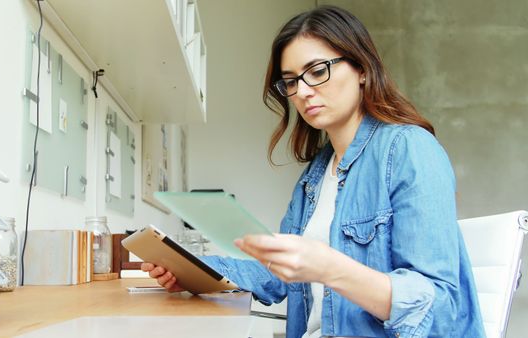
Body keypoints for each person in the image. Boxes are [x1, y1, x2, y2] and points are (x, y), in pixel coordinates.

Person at [142, 5, 484, 338]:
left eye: (318, 71)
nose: (303, 92)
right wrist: (191, 268)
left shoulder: (410, 149)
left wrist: (332, 268)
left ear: (362, 69)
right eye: (290, 81)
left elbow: (438, 310)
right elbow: (276, 278)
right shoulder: (315, 175)